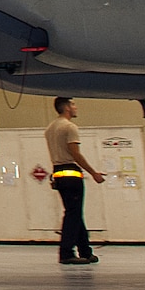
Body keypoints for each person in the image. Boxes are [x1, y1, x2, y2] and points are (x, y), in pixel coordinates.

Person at [46, 96, 107, 265]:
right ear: (66, 108)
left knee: (75, 212)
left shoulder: (50, 128)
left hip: (58, 172)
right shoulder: (69, 127)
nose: (76, 107)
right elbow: (75, 153)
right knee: (72, 214)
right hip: (71, 173)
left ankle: (86, 251)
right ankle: (66, 253)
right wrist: (94, 173)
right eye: (73, 104)